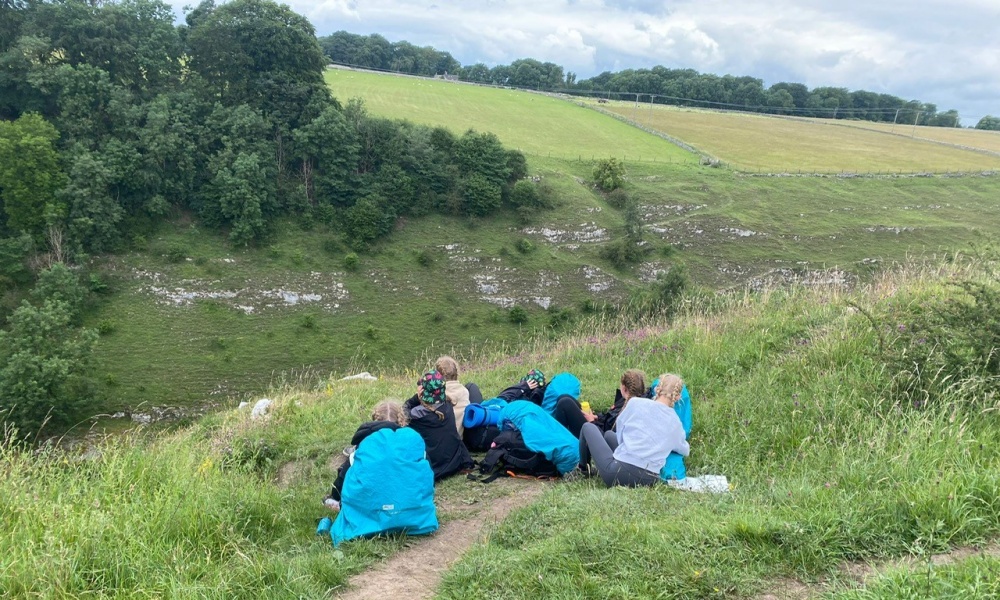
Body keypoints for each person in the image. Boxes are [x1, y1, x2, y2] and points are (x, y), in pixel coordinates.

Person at [577, 373, 689, 488]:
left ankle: (583, 470)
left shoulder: (636, 403)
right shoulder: (676, 422)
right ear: (678, 396)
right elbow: (684, 450)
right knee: (609, 435)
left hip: (619, 474)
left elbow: (621, 432)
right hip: (650, 479)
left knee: (588, 427)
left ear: (657, 389)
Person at [325, 400, 408, 511]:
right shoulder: (411, 445)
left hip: (370, 507)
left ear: (374, 421)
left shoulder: (363, 448)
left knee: (333, 500)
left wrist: (336, 495)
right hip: (405, 504)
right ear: (402, 421)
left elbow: (340, 483)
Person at [404, 369, 474, 481]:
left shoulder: (416, 415)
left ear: (423, 391)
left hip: (434, 469)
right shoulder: (448, 406)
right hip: (453, 463)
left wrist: (416, 397)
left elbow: (403, 412)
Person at [434, 355, 484, 436]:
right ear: (457, 372)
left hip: (442, 438)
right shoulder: (464, 391)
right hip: (461, 436)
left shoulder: (435, 395)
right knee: (472, 386)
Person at [543, 372, 594, 437]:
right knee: (564, 398)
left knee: (565, 402)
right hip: (596, 428)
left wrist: (592, 422)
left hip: (595, 440)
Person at [594, 369, 646, 433]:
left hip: (602, 436)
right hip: (602, 427)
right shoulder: (642, 404)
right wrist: (598, 417)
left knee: (586, 426)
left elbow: (606, 435)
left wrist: (592, 422)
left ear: (624, 388)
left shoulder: (623, 412)